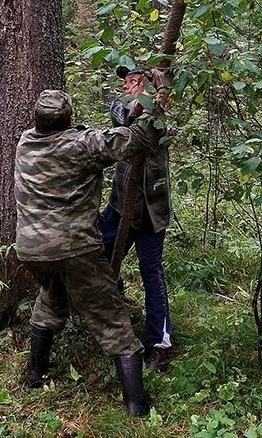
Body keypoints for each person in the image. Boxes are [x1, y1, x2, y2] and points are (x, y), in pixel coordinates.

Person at [14, 88, 164, 417]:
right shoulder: (82, 145)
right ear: (68, 118)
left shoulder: (25, 141)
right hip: (74, 249)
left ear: (37, 118)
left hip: (30, 250)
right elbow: (136, 139)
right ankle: (137, 407)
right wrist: (157, 100)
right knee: (112, 319)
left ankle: (33, 375)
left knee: (51, 299)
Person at [99, 65, 176, 372]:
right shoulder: (121, 105)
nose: (128, 86)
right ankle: (111, 310)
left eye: (135, 81)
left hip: (152, 214)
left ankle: (160, 342)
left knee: (152, 272)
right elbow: (122, 117)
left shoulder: (161, 115)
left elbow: (154, 132)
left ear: (149, 86)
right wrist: (142, 102)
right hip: (120, 208)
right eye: (127, 81)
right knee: (97, 254)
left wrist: (159, 95)